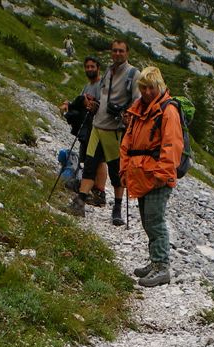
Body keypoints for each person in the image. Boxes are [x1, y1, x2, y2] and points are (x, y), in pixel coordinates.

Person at [120, 66, 184, 287]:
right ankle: (155, 261)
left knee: (155, 222)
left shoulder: (168, 111)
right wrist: (124, 170)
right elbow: (127, 142)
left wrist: (162, 175)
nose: (147, 92)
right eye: (143, 87)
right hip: (142, 174)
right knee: (149, 222)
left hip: (157, 177)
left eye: (150, 87)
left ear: (159, 86)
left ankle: (162, 266)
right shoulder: (138, 111)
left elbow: (171, 145)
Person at [66, 40, 140, 225]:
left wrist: (128, 116)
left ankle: (117, 208)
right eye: (114, 50)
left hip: (114, 130)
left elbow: (137, 101)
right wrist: (93, 105)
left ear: (127, 53)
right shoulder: (108, 71)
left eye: (121, 51)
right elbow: (103, 95)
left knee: (116, 172)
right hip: (97, 127)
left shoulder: (133, 74)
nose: (117, 54)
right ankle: (80, 200)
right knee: (90, 164)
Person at [59, 57, 108, 201]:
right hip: (87, 127)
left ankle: (100, 192)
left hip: (99, 127)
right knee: (88, 158)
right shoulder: (87, 86)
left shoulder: (102, 85)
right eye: (87, 67)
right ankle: (90, 188)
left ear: (98, 68)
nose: (89, 69)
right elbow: (80, 101)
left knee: (99, 159)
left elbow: (104, 103)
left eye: (92, 66)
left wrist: (92, 104)